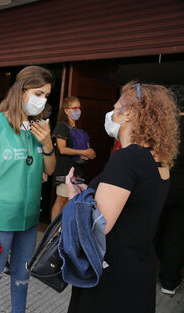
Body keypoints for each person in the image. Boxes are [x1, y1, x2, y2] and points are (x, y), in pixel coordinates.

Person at [66, 82, 180, 313]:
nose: (111, 113)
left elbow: (98, 225)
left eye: (116, 107)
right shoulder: (158, 159)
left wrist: (73, 197)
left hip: (112, 271)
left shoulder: (127, 159)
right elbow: (134, 203)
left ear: (129, 113)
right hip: (139, 265)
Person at [0, 66, 56, 313]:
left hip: (28, 218)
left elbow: (49, 168)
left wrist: (48, 143)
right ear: (21, 91)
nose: (42, 100)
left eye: (46, 95)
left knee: (22, 275)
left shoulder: (39, 128)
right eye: (38, 93)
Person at [157, 85, 184, 296]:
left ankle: (145, 274)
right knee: (176, 235)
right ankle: (169, 282)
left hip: (163, 181)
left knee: (150, 228)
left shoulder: (165, 125)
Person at [51, 96, 96, 221]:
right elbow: (62, 149)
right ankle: (53, 233)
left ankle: (61, 229)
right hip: (65, 170)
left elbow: (77, 150)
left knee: (69, 201)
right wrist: (83, 151)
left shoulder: (77, 129)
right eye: (74, 108)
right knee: (61, 199)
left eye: (79, 107)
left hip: (77, 170)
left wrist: (87, 154)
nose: (78, 111)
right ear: (66, 110)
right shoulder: (61, 127)